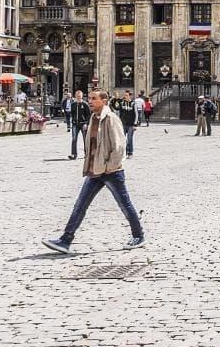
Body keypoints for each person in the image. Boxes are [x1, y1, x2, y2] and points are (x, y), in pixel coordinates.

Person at [42, 90, 145, 253]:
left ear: (104, 101)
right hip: (95, 170)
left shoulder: (111, 119)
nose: (90, 101)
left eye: (93, 99)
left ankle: (138, 235)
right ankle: (65, 240)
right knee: (80, 205)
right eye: (89, 98)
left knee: (124, 204)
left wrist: (108, 167)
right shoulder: (93, 118)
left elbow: (119, 147)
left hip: (111, 172)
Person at [68, 90, 90, 160]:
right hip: (75, 124)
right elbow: (72, 113)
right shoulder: (73, 104)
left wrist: (86, 123)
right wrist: (72, 121)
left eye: (80, 96)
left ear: (82, 96)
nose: (78, 98)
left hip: (83, 124)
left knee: (85, 139)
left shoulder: (85, 104)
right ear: (75, 96)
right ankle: (74, 154)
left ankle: (87, 154)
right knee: (74, 139)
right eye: (77, 96)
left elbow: (88, 115)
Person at [117, 91, 137, 158]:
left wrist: (135, 124)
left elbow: (136, 114)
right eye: (125, 95)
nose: (125, 96)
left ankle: (130, 152)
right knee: (122, 138)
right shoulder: (122, 103)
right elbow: (119, 113)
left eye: (126, 95)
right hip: (123, 124)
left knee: (129, 138)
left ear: (130, 96)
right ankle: (124, 152)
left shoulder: (133, 104)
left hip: (131, 124)